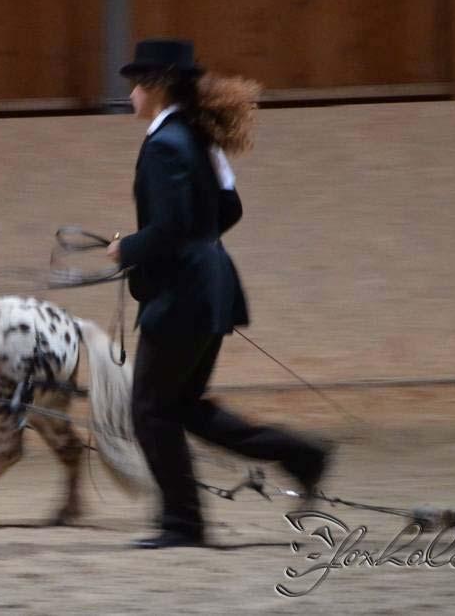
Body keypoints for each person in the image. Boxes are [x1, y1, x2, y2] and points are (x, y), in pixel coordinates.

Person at [106, 39, 331, 549]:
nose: (133, 94)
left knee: (149, 409)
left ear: (160, 85)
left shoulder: (164, 144)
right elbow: (229, 210)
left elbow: (172, 225)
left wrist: (129, 248)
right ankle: (299, 455)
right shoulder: (198, 137)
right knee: (180, 405)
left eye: (139, 84)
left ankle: (183, 524)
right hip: (210, 287)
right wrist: (197, 248)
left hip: (183, 294)